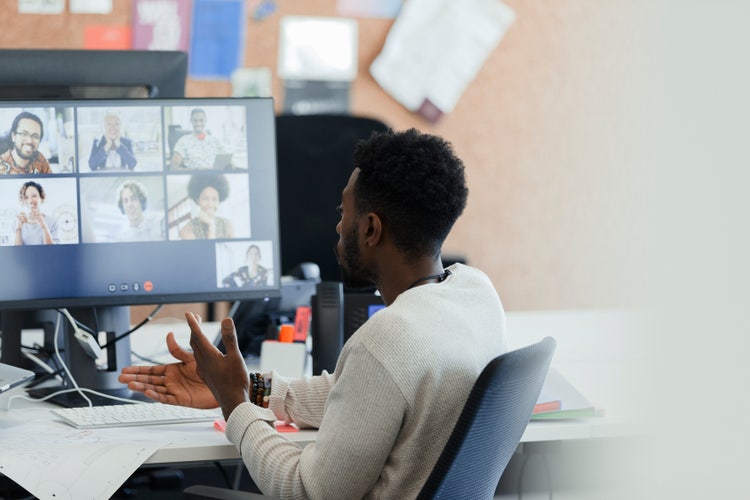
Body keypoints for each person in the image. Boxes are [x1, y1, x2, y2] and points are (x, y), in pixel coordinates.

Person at [119, 129, 507, 499]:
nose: (338, 225)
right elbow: (359, 395)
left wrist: (234, 405)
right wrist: (249, 387)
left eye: (345, 211)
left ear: (371, 229)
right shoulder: (477, 293)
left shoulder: (386, 340)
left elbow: (306, 490)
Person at [179, 174, 235, 240]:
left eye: (214, 199)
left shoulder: (227, 225)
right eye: (205, 199)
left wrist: (212, 225)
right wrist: (211, 227)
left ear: (219, 202)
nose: (210, 205)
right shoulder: (187, 229)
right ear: (198, 201)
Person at [15, 181, 59, 245]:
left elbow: (54, 251)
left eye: (34, 196)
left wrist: (44, 226)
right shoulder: (17, 222)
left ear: (41, 197)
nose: (30, 200)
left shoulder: (52, 222)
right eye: (26, 197)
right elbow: (16, 253)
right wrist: (18, 229)